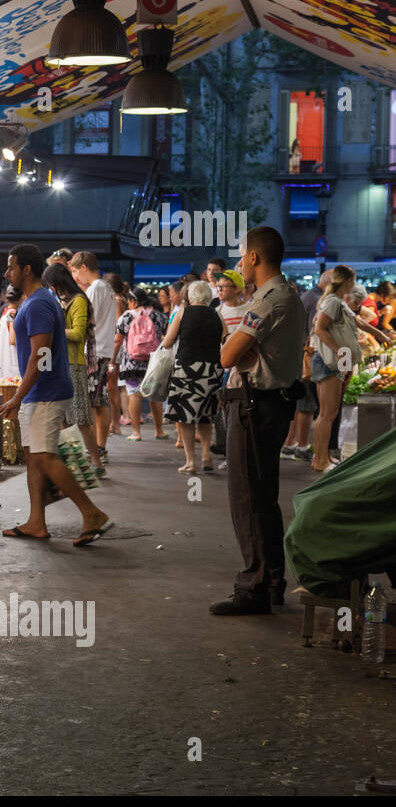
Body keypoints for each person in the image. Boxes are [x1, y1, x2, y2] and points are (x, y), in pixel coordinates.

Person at [209, 226, 308, 616]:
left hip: (256, 407)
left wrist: (230, 343)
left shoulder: (269, 301)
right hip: (267, 403)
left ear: (254, 258)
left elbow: (227, 356)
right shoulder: (285, 297)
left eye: (240, 256)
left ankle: (255, 587)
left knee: (248, 498)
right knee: (262, 497)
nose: (237, 264)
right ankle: (272, 580)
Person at [0, 244, 112, 545]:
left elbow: (41, 355)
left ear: (26, 270)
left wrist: (18, 396)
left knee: (46, 457)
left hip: (45, 392)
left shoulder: (37, 305)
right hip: (39, 391)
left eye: (11, 267)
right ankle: (37, 521)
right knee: (34, 458)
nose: (6, 272)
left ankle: (91, 513)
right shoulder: (39, 300)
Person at [309, 264, 391, 473]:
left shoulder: (338, 302)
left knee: (331, 412)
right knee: (327, 413)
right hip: (330, 362)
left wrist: (380, 335)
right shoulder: (332, 302)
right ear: (345, 282)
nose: (354, 285)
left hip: (337, 363)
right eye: (352, 281)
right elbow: (319, 329)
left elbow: (358, 322)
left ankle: (324, 456)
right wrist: (339, 351)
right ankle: (320, 460)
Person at [43, 261, 102, 471]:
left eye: (51, 284)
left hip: (74, 365)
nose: (51, 289)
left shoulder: (78, 301)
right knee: (64, 418)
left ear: (59, 282)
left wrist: (53, 329)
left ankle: (96, 462)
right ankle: (74, 462)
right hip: (60, 364)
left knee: (82, 418)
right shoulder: (62, 301)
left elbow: (77, 334)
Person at [159, 280, 223, 474]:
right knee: (205, 415)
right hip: (211, 368)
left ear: (191, 296)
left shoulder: (183, 313)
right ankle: (206, 456)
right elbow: (226, 339)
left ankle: (190, 462)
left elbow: (169, 342)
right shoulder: (217, 314)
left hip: (186, 369)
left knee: (184, 416)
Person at [70, 251, 118, 462]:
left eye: (74, 271)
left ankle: (94, 450)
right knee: (100, 401)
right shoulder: (106, 288)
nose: (75, 276)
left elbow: (87, 320)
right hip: (103, 349)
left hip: (94, 351)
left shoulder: (96, 289)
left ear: (83, 267)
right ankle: (99, 448)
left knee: (89, 403)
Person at [114, 288, 169, 441]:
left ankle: (136, 432)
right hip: (153, 361)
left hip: (132, 362)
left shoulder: (126, 317)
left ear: (133, 302)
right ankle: (159, 431)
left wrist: (112, 361)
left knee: (134, 394)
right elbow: (168, 336)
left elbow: (118, 340)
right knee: (155, 396)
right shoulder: (158, 316)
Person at [104, 272, 129, 436]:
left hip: (115, 348)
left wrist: (111, 359)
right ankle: (114, 423)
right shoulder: (119, 300)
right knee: (112, 388)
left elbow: (117, 328)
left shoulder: (117, 301)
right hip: (115, 347)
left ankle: (115, 423)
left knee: (112, 388)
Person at [0, 283, 22, 380]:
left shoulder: (6, 312)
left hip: (5, 362)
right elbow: (13, 340)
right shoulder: (13, 313)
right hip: (13, 362)